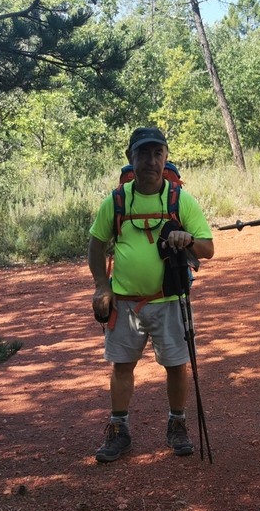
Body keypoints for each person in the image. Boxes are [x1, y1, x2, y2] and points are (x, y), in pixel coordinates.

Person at [88, 127, 214, 464]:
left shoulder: (180, 200)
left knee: (176, 366)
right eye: (144, 154)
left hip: (170, 299)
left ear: (166, 158)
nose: (151, 161)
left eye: (158, 154)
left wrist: (187, 239)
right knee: (122, 366)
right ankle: (119, 430)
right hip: (124, 302)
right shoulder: (116, 202)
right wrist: (102, 285)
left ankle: (177, 425)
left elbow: (208, 249)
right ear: (131, 158)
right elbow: (97, 244)